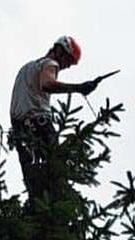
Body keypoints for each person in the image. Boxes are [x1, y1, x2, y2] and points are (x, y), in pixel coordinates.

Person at [10, 35, 98, 197]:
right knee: (55, 177)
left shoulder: (27, 68)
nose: (66, 66)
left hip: (21, 131)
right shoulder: (50, 64)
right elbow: (47, 84)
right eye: (68, 61)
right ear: (59, 51)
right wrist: (79, 88)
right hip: (40, 126)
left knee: (33, 181)